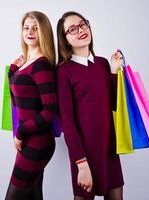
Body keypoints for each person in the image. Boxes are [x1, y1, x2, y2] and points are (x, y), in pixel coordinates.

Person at [56, 11, 124, 200]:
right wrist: (81, 162)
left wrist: (113, 71)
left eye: (83, 24)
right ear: (65, 39)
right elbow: (67, 121)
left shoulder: (102, 63)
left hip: (109, 148)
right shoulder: (64, 71)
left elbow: (115, 105)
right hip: (84, 153)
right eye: (72, 29)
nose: (81, 30)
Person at [5, 11, 58, 200]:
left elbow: (50, 110)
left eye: (36, 28)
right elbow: (17, 101)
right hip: (30, 142)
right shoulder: (26, 63)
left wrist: (20, 132)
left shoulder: (41, 65)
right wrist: (12, 71)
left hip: (38, 143)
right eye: (26, 27)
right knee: (34, 196)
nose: (30, 31)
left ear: (43, 32)